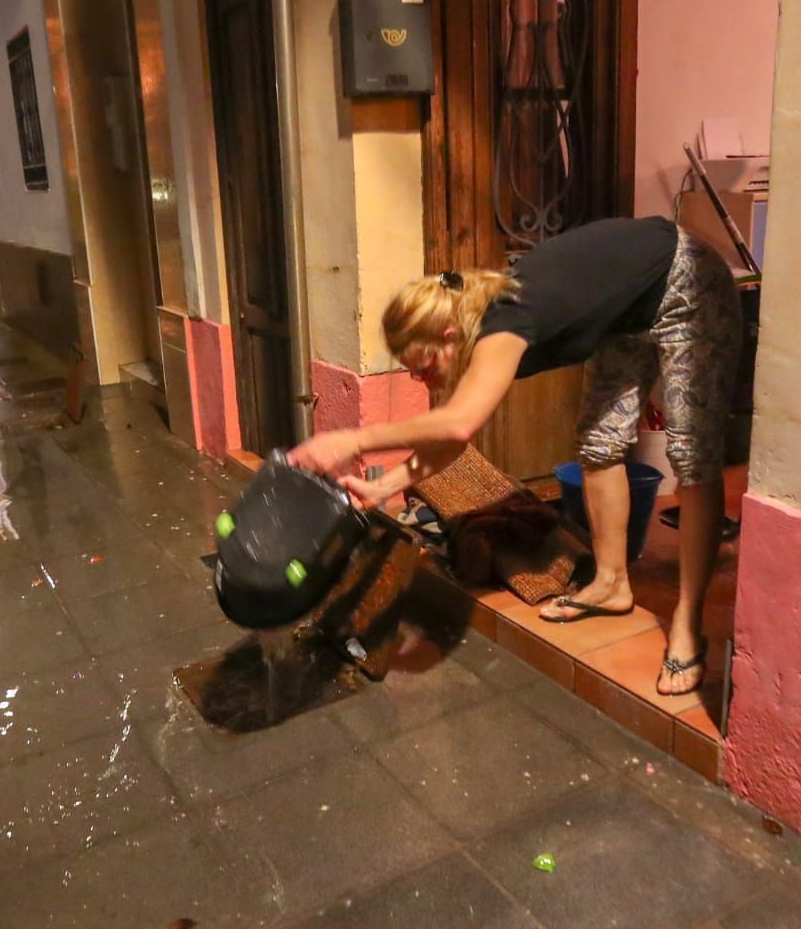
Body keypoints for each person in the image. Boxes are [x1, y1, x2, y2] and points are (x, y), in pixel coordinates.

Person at [288, 216, 741, 696]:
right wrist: (383, 486)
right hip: (629, 315)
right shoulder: (476, 324)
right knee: (599, 445)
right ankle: (611, 584)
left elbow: (458, 422)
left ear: (447, 335)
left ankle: (688, 626)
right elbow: (456, 436)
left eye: (422, 368)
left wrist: (353, 441)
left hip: (686, 282)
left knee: (693, 457)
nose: (422, 381)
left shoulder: (503, 323)